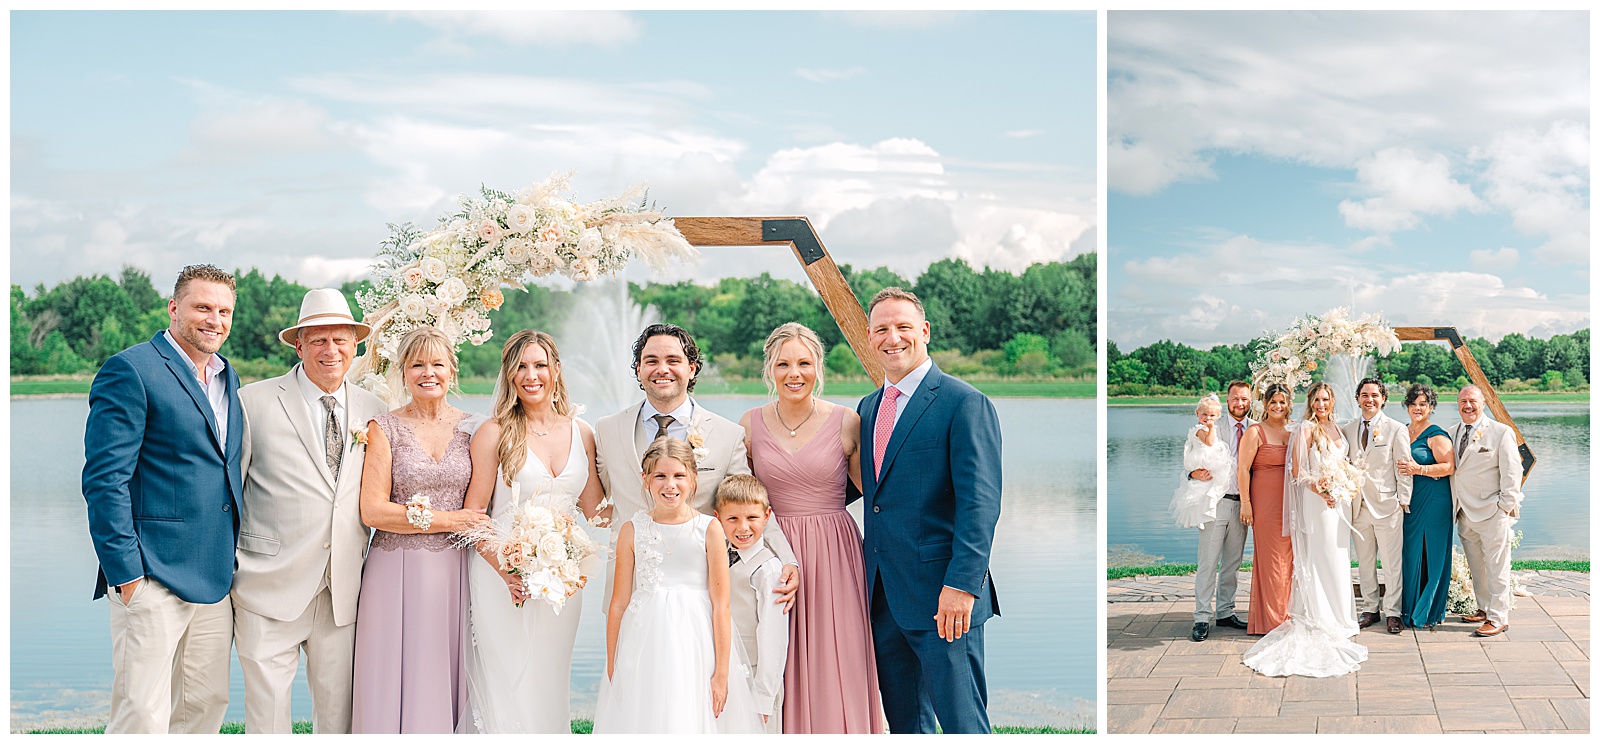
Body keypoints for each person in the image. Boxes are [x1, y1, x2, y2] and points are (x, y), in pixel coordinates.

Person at [82, 264, 243, 734]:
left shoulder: (226, 377)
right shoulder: (130, 370)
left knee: (206, 704)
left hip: (214, 576)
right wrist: (127, 574)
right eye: (203, 308)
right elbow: (104, 481)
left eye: (224, 310)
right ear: (174, 308)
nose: (215, 319)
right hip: (151, 575)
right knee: (143, 713)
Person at [232, 288, 385, 733]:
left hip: (343, 593)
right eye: (318, 340)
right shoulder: (252, 402)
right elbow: (229, 492)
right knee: (267, 719)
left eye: (340, 339)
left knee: (338, 720)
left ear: (355, 345)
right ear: (298, 345)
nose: (330, 350)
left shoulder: (376, 411)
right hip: (266, 586)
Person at [856, 287, 1001, 734]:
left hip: (945, 601)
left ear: (924, 331)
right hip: (883, 597)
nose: (892, 337)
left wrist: (962, 586)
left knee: (963, 725)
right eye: (881, 329)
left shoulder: (964, 403)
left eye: (902, 327)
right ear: (869, 337)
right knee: (905, 726)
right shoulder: (867, 407)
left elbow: (980, 506)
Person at [459, 330, 608, 733]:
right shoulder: (495, 432)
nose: (531, 375)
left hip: (563, 581)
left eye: (540, 365)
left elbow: (597, 512)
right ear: (508, 374)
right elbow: (474, 514)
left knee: (550, 679)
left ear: (556, 370)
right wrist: (506, 571)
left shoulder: (584, 432)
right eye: (521, 366)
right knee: (509, 680)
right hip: (502, 575)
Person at [593, 323, 798, 611]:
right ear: (638, 370)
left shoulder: (727, 435)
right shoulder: (607, 429)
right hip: (630, 594)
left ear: (692, 368)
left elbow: (750, 506)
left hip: (700, 593)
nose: (662, 369)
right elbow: (592, 505)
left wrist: (787, 558)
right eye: (651, 361)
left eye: (673, 360)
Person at [739, 322, 883, 733]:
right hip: (772, 553)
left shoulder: (847, 421)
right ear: (769, 369)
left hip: (834, 553)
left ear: (819, 367)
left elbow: (872, 492)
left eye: (804, 362)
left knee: (837, 653)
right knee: (773, 654)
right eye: (783, 364)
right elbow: (741, 498)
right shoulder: (749, 425)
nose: (794, 373)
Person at [351, 327, 491, 733]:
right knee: (390, 667)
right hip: (394, 568)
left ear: (452, 370)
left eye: (437, 364)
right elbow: (373, 510)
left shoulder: (475, 428)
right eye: (417, 364)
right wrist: (450, 521)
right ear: (404, 372)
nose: (427, 373)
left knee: (443, 665)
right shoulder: (383, 427)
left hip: (454, 569)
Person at [594, 438, 762, 733]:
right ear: (645, 480)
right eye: (660, 475)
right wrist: (613, 663)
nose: (670, 485)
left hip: (696, 640)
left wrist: (721, 673)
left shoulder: (709, 528)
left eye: (678, 476)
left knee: (690, 711)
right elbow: (619, 603)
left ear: (693, 479)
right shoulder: (632, 530)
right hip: (645, 639)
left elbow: (721, 605)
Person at [1242, 382, 1367, 678]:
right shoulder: (1306, 429)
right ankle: (1322, 615)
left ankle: (1343, 617)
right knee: (1321, 558)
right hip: (1318, 502)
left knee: (1339, 558)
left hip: (1339, 503)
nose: (1321, 404)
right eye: (1317, 400)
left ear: (1333, 401)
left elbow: (1343, 462)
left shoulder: (1339, 428)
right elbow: (1297, 471)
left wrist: (1346, 480)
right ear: (1310, 402)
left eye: (1326, 399)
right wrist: (1321, 488)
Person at [715, 474, 791, 734]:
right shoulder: (717, 558)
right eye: (733, 519)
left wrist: (764, 696)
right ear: (717, 519)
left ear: (767, 516)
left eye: (752, 518)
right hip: (723, 671)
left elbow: (774, 636)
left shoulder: (768, 568)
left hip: (756, 678)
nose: (743, 528)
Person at [1448, 385, 1524, 637]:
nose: (1467, 406)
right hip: (1463, 513)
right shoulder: (1452, 432)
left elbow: (1513, 472)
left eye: (1472, 401)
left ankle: (1499, 617)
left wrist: (1504, 506)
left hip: (1492, 511)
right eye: (1462, 401)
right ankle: (1484, 609)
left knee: (1497, 566)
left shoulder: (1501, 432)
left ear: (1483, 403)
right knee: (1476, 566)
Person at [1342, 377, 1412, 635]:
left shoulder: (1395, 429)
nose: (1369, 400)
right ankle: (1370, 608)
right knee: (1365, 561)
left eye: (1374, 395)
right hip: (1358, 507)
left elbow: (1403, 468)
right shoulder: (1347, 429)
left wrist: (1403, 501)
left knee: (1392, 564)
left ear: (1383, 399)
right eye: (1364, 395)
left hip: (1387, 506)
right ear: (1358, 398)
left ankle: (1393, 612)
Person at [1188, 381, 1254, 642]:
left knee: (1232, 562)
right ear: (1228, 400)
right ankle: (1202, 617)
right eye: (1236, 398)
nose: (1240, 403)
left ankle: (1225, 611)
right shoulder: (1209, 424)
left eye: (1245, 399)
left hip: (1243, 504)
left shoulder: (1255, 428)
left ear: (1251, 401)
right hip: (1214, 503)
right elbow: (1190, 455)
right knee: (1207, 562)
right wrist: (1191, 473)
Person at [1394, 384, 1456, 628]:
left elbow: (1449, 466)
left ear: (1431, 408)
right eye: (1413, 404)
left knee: (1432, 553)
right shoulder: (1403, 431)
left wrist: (1419, 469)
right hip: (1411, 501)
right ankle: (1408, 609)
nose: (1417, 408)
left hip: (1434, 500)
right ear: (1407, 406)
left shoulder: (1436, 435)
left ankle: (1428, 611)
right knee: (1411, 553)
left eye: (1423, 404)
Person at [1236, 383, 1293, 636]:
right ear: (1265, 404)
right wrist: (1246, 503)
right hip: (1265, 503)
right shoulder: (1255, 432)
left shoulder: (1293, 431)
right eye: (1273, 402)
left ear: (1289, 404)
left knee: (1289, 561)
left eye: (1282, 402)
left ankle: (1287, 613)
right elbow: (1242, 469)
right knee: (1271, 561)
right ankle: (1271, 620)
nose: (1278, 407)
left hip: (1291, 504)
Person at [1169, 394, 1231, 529]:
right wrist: (1212, 428)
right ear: (1197, 413)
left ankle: (1203, 514)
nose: (1208, 418)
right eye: (1204, 415)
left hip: (1210, 458)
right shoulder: (1200, 429)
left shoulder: (1207, 428)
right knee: (1200, 490)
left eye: (1212, 416)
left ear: (1218, 415)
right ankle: (1197, 517)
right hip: (1204, 459)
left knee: (1207, 489)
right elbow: (1209, 442)